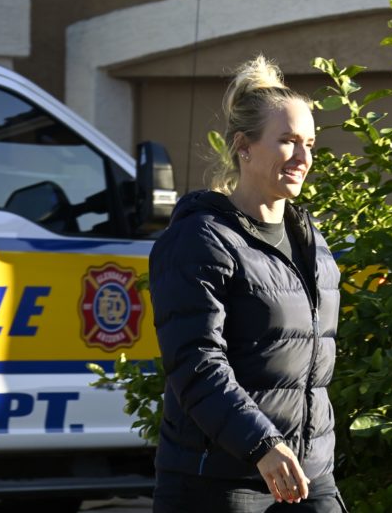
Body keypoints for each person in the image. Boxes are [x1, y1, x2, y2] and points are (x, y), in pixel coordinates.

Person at [148, 56, 346, 513]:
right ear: (244, 146)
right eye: (288, 142)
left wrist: (312, 453)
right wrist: (262, 444)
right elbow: (195, 361)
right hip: (220, 481)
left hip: (307, 475)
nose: (303, 158)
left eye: (309, 144)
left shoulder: (311, 242)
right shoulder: (200, 238)